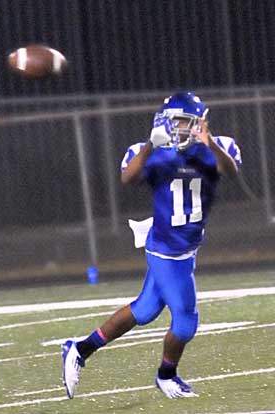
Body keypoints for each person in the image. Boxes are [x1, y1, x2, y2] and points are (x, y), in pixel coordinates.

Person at [62, 91, 242, 399]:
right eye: (175, 123)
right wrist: (149, 147)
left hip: (186, 247)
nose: (180, 129)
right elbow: (127, 178)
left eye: (186, 123)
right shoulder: (154, 151)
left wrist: (208, 141)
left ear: (200, 122)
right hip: (166, 250)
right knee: (185, 323)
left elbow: (231, 170)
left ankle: (79, 348)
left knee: (144, 311)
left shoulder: (217, 147)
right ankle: (166, 374)